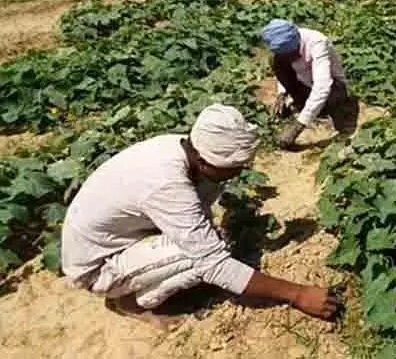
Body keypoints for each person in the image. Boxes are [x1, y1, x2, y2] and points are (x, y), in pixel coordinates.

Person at [61, 104, 340, 328]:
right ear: (206, 161)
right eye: (235, 166)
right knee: (205, 256)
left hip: (123, 236)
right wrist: (298, 294)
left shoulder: (184, 150)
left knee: (213, 242)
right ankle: (132, 302)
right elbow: (214, 264)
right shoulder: (165, 183)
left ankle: (151, 277)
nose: (240, 172)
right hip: (97, 266)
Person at [261, 19, 359, 150]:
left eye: (290, 54)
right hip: (305, 84)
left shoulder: (317, 43)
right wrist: (282, 93)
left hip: (333, 87)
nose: (290, 59)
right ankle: (307, 107)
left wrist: (298, 126)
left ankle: (338, 120)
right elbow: (284, 67)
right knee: (275, 61)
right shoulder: (285, 48)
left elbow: (322, 87)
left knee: (332, 96)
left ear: (296, 44)